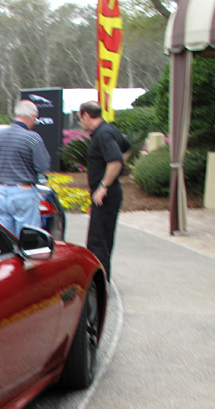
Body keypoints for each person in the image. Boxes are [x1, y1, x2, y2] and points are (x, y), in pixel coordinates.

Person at [77, 100, 131, 280]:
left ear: (86, 115)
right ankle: (102, 280)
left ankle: (100, 283)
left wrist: (104, 185)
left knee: (98, 241)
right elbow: (127, 148)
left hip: (106, 194)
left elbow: (116, 160)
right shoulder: (110, 130)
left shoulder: (103, 134)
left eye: (80, 118)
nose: (80, 122)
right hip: (109, 192)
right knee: (103, 239)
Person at [0, 100, 51, 237]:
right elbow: (43, 166)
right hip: (22, 191)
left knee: (5, 237)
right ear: (32, 116)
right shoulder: (32, 138)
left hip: (0, 190)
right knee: (28, 237)